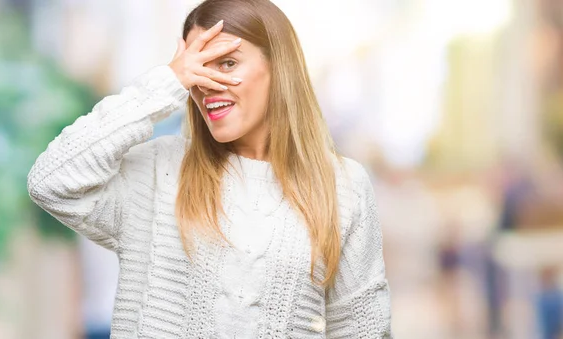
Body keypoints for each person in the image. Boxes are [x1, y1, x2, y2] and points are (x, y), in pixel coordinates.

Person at [27, 0, 393, 337]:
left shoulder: (343, 186)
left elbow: (363, 328)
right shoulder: (157, 172)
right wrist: (167, 82)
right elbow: (51, 181)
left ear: (278, 68)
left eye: (228, 63)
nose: (207, 84)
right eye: (198, 68)